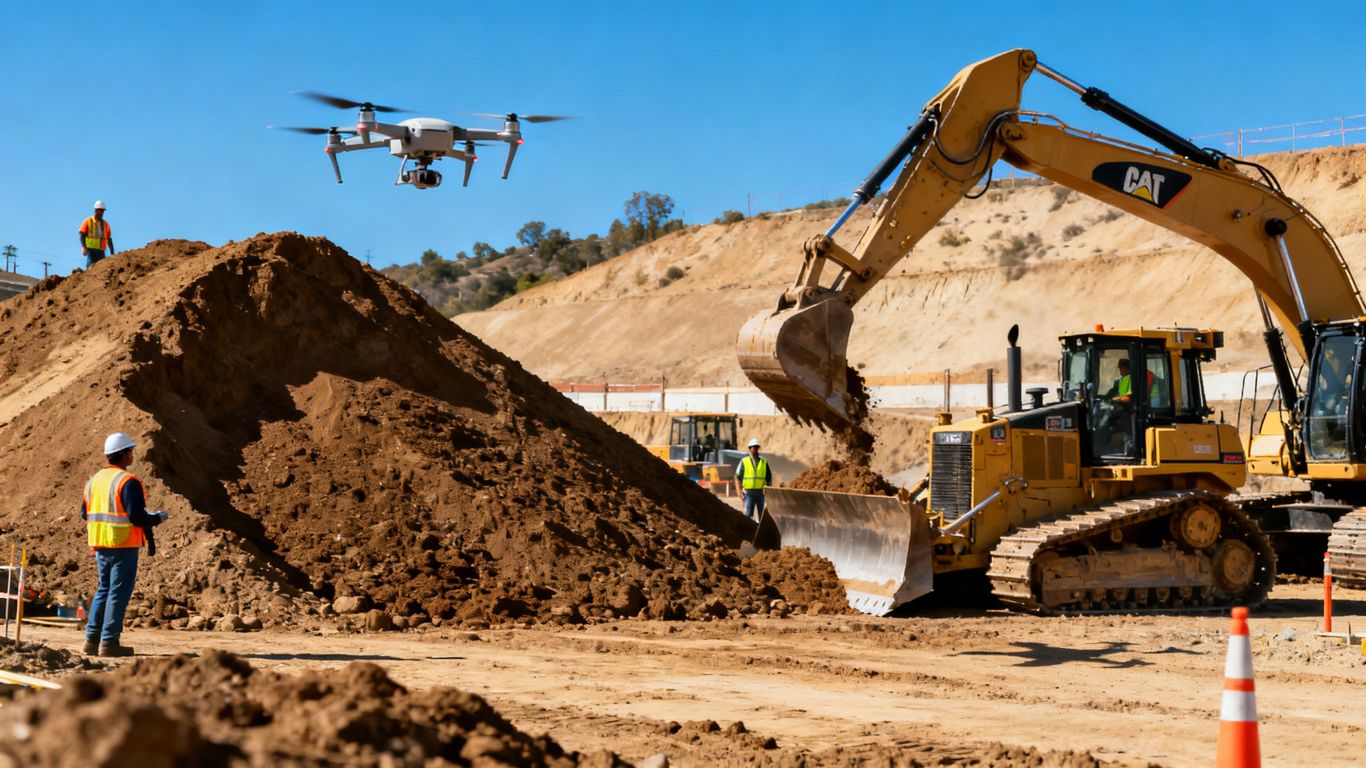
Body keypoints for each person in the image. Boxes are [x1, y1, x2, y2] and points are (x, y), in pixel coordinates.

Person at [81, 432, 167, 657]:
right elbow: (136, 516)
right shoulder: (128, 482)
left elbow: (85, 512)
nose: (132, 454)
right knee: (117, 592)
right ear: (123, 454)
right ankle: (109, 643)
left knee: (104, 590)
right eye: (130, 450)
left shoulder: (94, 481)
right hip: (122, 544)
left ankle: (91, 640)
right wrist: (157, 518)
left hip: (100, 542)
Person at [734, 438, 772, 522]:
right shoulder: (744, 461)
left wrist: (769, 492)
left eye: (756, 447)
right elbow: (737, 477)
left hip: (760, 493)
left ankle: (759, 532)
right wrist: (739, 491)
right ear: (750, 448)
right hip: (748, 493)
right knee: (747, 515)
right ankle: (747, 531)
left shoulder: (764, 462)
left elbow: (769, 478)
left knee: (761, 516)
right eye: (753, 447)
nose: (755, 449)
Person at [79, 200, 115, 268]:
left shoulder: (105, 224)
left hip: (101, 251)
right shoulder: (88, 221)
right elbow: (81, 234)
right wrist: (84, 246)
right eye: (101, 210)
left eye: (103, 211)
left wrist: (112, 252)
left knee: (102, 270)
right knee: (90, 269)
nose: (102, 213)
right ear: (96, 210)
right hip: (91, 251)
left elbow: (109, 239)